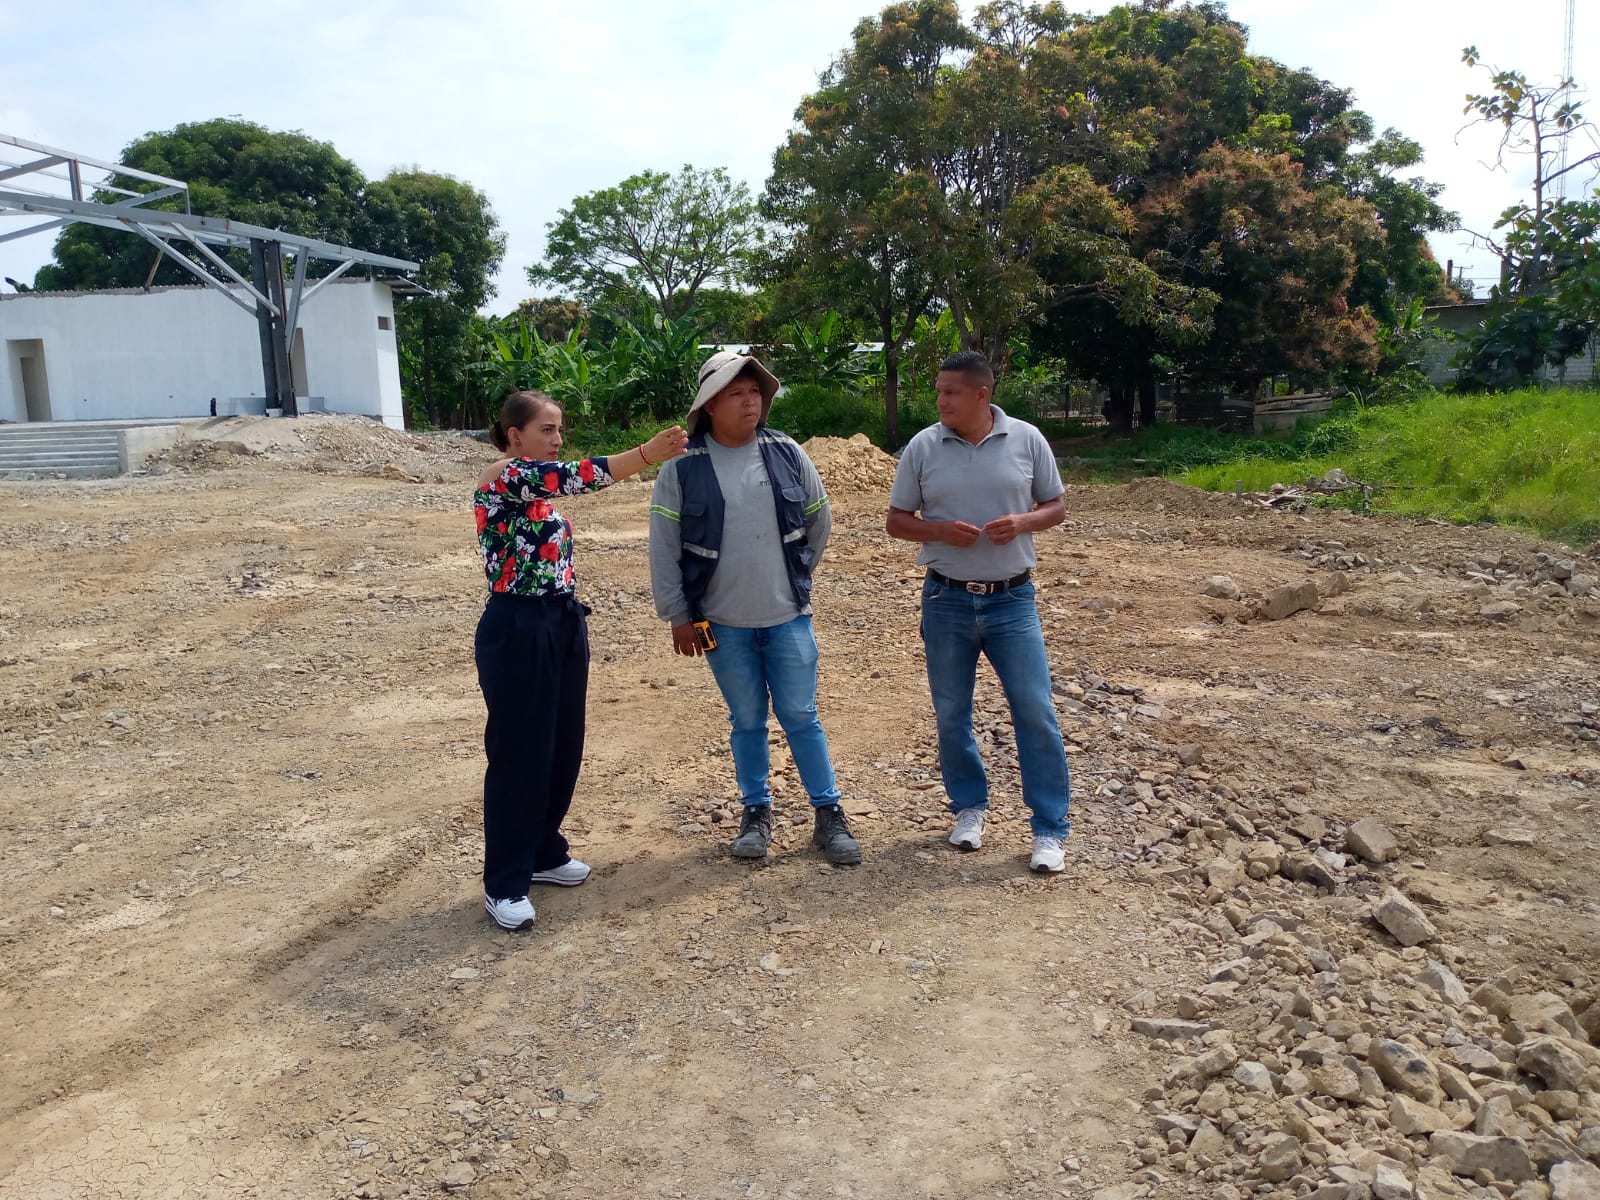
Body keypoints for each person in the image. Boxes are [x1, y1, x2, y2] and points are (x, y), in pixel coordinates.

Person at [474, 390, 688, 930]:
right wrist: (646, 453)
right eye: (546, 430)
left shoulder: (537, 494)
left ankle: (542, 851)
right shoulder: (503, 477)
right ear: (515, 435)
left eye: (560, 429)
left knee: (562, 744)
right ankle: (505, 882)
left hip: (561, 619)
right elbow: (577, 476)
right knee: (520, 753)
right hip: (517, 626)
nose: (558, 439)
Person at [648, 351, 861, 866]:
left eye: (754, 393)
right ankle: (756, 812)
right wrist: (678, 614)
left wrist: (797, 575)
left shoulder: (786, 451)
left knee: (801, 716)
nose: (751, 402)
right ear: (710, 405)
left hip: (788, 617)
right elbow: (663, 544)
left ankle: (829, 814)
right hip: (722, 624)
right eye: (737, 394)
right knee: (746, 720)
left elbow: (819, 519)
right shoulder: (683, 466)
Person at [885, 350, 1072, 873]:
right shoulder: (923, 446)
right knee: (952, 714)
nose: (940, 401)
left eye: (951, 393)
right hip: (945, 599)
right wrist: (939, 530)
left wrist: (1024, 522)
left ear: (981, 395)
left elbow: (1056, 506)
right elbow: (896, 521)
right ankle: (969, 808)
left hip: (1013, 601)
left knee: (1035, 712)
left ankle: (1049, 830)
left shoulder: (1027, 439)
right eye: (939, 392)